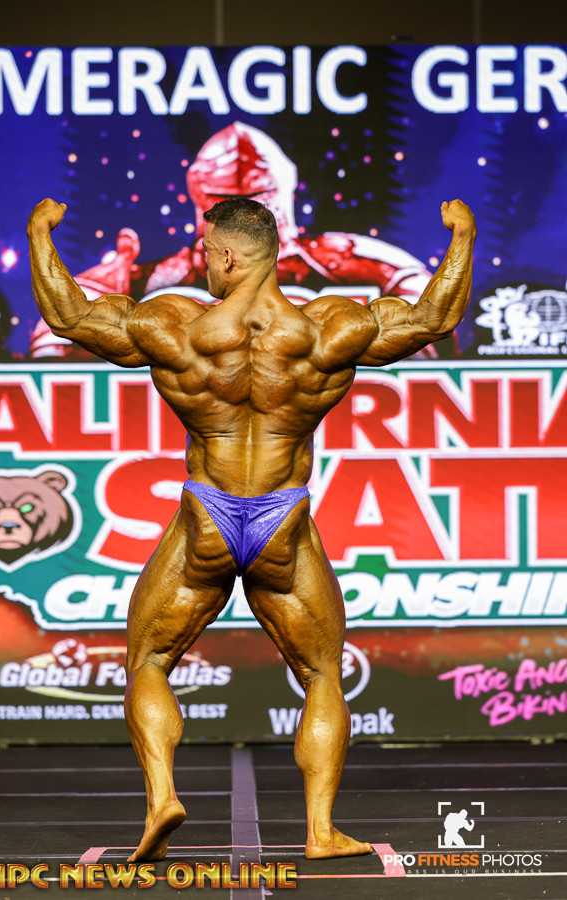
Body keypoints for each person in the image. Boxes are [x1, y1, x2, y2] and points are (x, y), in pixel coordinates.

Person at [27, 194, 476, 862]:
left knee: (149, 661)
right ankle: (320, 830)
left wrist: (40, 232)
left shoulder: (176, 326)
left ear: (230, 257)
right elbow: (434, 316)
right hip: (281, 522)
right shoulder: (329, 329)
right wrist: (462, 235)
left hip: (207, 517)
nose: (204, 264)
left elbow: (68, 315)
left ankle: (161, 798)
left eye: (209, 253)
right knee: (321, 673)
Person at [29, 122, 434, 361]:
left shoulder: (338, 258)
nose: (240, 214)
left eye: (256, 200)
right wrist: (99, 286)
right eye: (223, 201)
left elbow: (426, 314)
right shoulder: (162, 279)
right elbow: (53, 344)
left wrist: (42, 239)